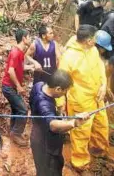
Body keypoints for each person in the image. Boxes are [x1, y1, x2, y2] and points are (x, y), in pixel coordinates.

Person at [60, 25, 109, 172]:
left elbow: (100, 66)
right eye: (94, 38)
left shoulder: (92, 49)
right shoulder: (68, 58)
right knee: (81, 132)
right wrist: (60, 103)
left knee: (102, 125)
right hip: (81, 101)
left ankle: (98, 150)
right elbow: (60, 82)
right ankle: (79, 163)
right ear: (88, 40)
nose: (96, 40)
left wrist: (104, 85)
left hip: (97, 96)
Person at [29, 70, 90, 176]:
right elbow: (53, 125)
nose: (65, 94)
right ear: (58, 89)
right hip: (45, 145)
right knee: (49, 171)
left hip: (40, 134)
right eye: (65, 91)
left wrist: (58, 113)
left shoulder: (39, 85)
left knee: (56, 165)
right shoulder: (44, 104)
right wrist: (73, 123)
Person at [2, 29, 33, 146]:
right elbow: (11, 71)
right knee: (23, 110)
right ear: (24, 39)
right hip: (9, 87)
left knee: (16, 109)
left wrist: (31, 67)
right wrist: (19, 86)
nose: (30, 39)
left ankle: (13, 131)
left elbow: (19, 67)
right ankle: (16, 134)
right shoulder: (16, 52)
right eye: (29, 37)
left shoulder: (19, 52)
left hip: (10, 87)